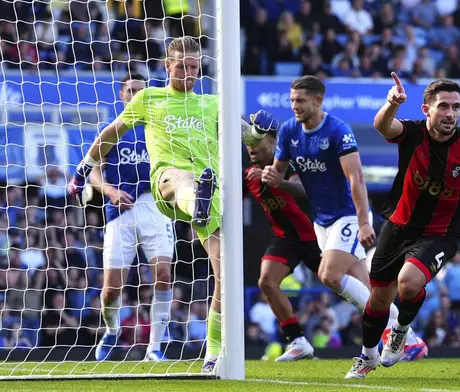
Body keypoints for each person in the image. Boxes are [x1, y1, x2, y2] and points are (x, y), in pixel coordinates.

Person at [68, 36, 259, 373]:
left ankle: (212, 356)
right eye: (181, 66)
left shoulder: (214, 102)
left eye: (194, 67)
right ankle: (113, 331)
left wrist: (260, 130)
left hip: (210, 196)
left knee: (225, 272)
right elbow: (111, 133)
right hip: (165, 186)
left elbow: (249, 136)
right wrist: (84, 169)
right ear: (168, 66)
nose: (188, 73)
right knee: (182, 178)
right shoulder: (150, 98)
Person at [345, 75, 460, 379]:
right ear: (426, 109)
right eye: (443, 106)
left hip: (439, 233)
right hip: (397, 227)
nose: (450, 114)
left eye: (456, 107)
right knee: (378, 299)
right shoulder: (412, 133)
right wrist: (391, 104)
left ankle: (401, 330)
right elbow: (382, 125)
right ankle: (367, 356)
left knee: (407, 284)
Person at [258, 75, 427, 359]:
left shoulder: (337, 130)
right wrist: (270, 175)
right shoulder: (288, 131)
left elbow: (356, 178)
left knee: (329, 275)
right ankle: (408, 338)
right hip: (321, 221)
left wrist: (362, 221)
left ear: (318, 100)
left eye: (300, 101)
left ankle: (388, 334)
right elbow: (278, 173)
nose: (295, 106)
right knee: (369, 292)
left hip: (347, 217)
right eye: (292, 101)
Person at [88, 73, 175, 362]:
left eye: (141, 91)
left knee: (163, 274)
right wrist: (110, 191)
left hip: (154, 207)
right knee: (112, 289)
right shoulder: (112, 130)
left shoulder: (159, 130)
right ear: (122, 95)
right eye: (131, 90)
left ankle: (154, 347)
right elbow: (94, 172)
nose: (136, 95)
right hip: (119, 211)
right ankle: (111, 331)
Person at [243, 127, 320, 361]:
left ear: (273, 142)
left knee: (342, 285)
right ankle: (297, 340)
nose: (252, 147)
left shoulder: (291, 162)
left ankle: (391, 326)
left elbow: (305, 191)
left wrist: (275, 180)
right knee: (266, 281)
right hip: (285, 238)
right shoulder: (248, 175)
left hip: (316, 236)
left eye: (258, 141)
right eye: (248, 143)